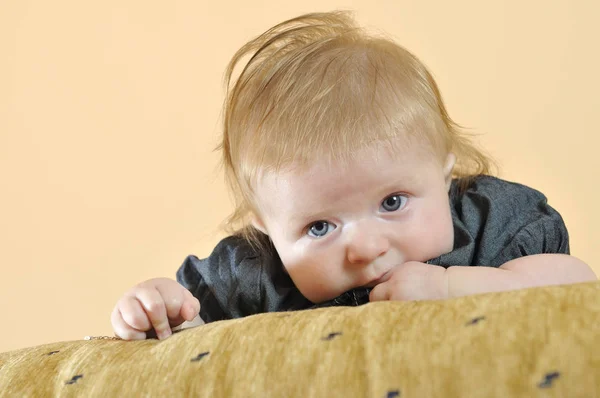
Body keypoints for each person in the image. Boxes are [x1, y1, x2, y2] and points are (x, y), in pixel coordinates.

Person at [111, 11, 596, 341]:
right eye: (319, 227)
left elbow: (576, 283)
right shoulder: (254, 273)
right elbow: (194, 329)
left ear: (443, 164)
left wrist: (452, 289)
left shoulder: (491, 222)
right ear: (264, 224)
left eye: (392, 202)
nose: (365, 248)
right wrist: (159, 307)